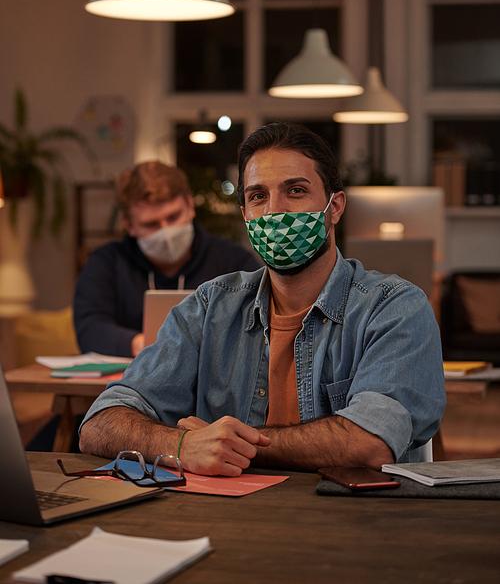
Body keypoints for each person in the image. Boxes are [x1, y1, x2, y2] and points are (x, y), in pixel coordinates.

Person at [80, 123, 446, 474]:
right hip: (228, 523)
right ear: (245, 214)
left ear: (334, 207)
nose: (274, 212)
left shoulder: (395, 308)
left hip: (352, 525)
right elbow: (100, 424)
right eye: (258, 196)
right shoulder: (209, 307)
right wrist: (182, 446)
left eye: (296, 191)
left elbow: (370, 444)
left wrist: (224, 444)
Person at [74, 161, 261, 357]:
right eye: (151, 224)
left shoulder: (234, 262)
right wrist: (143, 344)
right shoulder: (106, 263)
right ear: (128, 224)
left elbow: (259, 322)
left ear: (190, 205)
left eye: (173, 217)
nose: (166, 232)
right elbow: (89, 328)